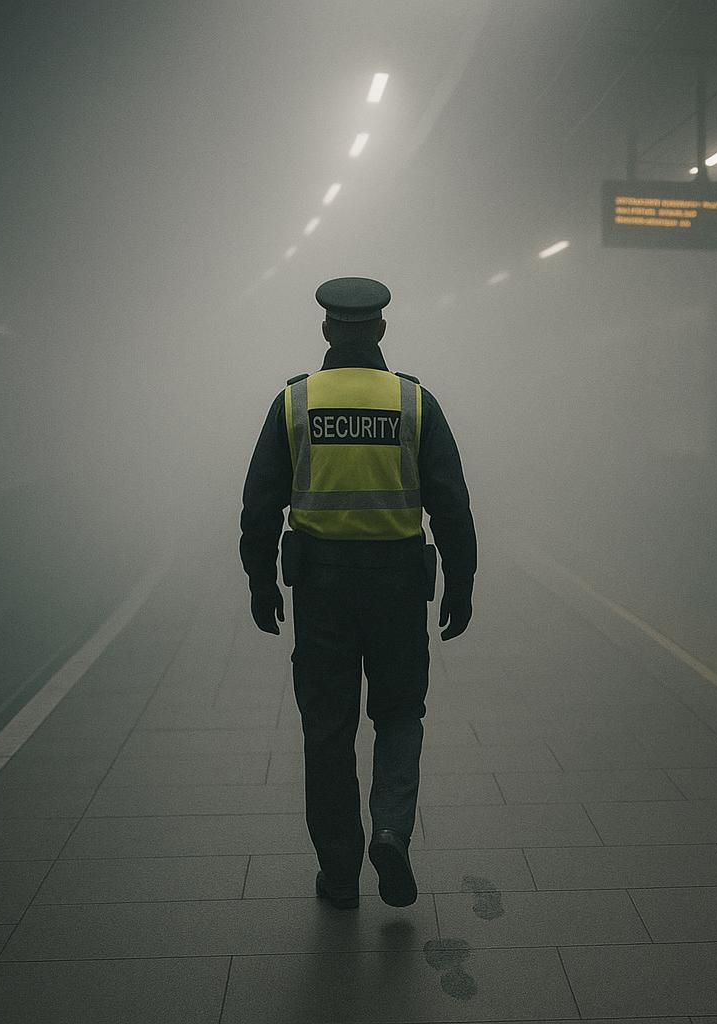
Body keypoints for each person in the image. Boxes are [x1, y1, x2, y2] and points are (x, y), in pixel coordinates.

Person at [239, 276, 476, 909]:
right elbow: (451, 502)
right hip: (399, 587)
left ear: (325, 331)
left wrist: (260, 580)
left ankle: (340, 875)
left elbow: (260, 501)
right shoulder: (413, 403)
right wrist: (462, 580)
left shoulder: (294, 403)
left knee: (327, 728)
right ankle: (393, 831)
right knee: (400, 712)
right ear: (379, 331)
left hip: (322, 591)